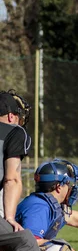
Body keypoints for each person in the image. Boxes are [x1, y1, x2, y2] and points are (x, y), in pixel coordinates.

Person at [0, 90, 31, 231]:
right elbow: (11, 179)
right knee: (25, 243)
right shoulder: (15, 132)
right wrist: (10, 218)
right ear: (12, 116)